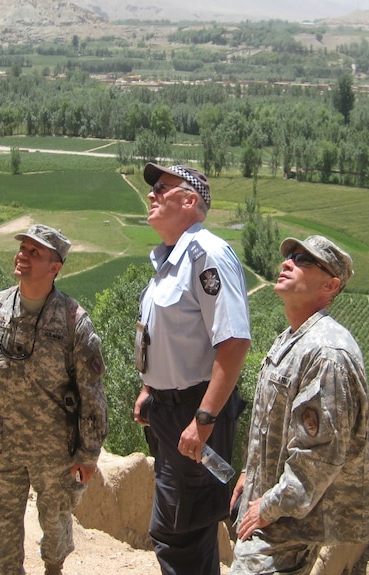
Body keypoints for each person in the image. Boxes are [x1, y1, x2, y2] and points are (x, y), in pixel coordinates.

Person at [229, 235, 369, 575]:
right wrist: (248, 473)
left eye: (303, 260)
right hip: (279, 510)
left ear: (330, 285)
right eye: (290, 256)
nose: (288, 262)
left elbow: (319, 456)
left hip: (291, 522)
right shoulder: (292, 339)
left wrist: (268, 507)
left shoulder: (327, 352)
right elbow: (271, 424)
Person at [0, 224, 108, 575]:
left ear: (55, 267)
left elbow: (92, 393)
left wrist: (88, 453)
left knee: (55, 527)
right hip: (1, 446)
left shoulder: (74, 322)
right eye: (22, 248)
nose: (22, 256)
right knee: (2, 531)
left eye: (34, 252)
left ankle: (53, 569)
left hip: (54, 451)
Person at [132, 163, 251, 575]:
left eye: (161, 188)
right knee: (181, 528)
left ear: (189, 200)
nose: (151, 195)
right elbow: (168, 335)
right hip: (171, 412)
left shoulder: (206, 254)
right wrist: (150, 388)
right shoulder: (169, 259)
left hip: (196, 412)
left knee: (182, 530)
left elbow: (234, 342)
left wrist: (203, 420)